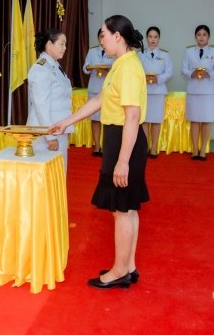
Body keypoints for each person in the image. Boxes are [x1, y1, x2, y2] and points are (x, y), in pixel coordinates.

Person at [50, 15, 148, 290]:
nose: (101, 40)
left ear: (118, 36)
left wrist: (123, 161)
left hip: (124, 140)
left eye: (103, 35)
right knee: (128, 207)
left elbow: (131, 116)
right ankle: (128, 266)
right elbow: (99, 100)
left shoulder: (127, 68)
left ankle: (119, 271)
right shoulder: (122, 64)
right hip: (123, 138)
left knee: (121, 209)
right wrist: (66, 122)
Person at [27, 28, 73, 170]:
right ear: (49, 44)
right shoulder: (41, 68)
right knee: (47, 174)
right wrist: (50, 136)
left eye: (65, 44)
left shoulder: (53, 65)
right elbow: (41, 106)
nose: (65, 48)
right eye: (61, 44)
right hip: (47, 133)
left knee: (58, 172)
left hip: (57, 129)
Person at [181, 24, 214, 161]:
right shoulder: (189, 51)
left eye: (204, 35)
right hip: (193, 90)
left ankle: (203, 150)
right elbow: (184, 69)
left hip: (208, 91)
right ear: (195, 37)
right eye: (199, 34)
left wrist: (208, 74)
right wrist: (191, 73)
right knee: (194, 121)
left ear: (208, 37)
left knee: (206, 121)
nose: (201, 37)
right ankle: (194, 149)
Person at [138, 26, 173, 158]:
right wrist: (144, 78)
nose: (153, 39)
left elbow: (169, 72)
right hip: (144, 91)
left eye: (155, 37)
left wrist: (158, 78)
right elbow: (136, 71)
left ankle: (154, 148)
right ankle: (145, 147)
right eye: (150, 37)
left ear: (159, 39)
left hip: (158, 91)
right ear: (147, 38)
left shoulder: (165, 55)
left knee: (156, 121)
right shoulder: (140, 54)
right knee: (145, 121)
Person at [83, 28, 114, 156]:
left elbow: (117, 70)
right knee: (95, 119)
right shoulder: (92, 51)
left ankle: (108, 147)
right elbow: (85, 68)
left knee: (108, 119)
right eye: (100, 37)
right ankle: (97, 146)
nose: (102, 40)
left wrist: (106, 70)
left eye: (104, 37)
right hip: (95, 88)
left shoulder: (113, 50)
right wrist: (90, 68)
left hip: (109, 89)